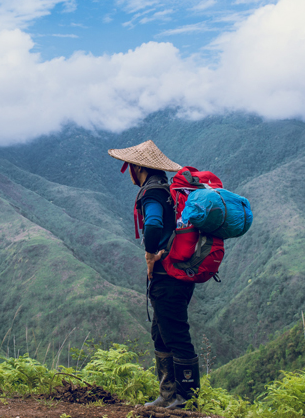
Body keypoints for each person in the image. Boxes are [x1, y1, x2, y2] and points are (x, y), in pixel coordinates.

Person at [108, 140, 200, 409]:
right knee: (161, 333)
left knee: (175, 335)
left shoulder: (152, 193)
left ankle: (186, 401)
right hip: (180, 275)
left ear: (138, 168)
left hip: (168, 277)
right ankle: (168, 395)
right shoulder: (169, 190)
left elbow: (153, 225)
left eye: (130, 167)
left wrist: (150, 255)